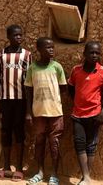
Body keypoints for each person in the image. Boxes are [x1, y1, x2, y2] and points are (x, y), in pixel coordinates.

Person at [68, 41, 103, 185]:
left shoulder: (102, 72)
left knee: (91, 145)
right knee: (79, 143)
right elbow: (71, 87)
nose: (94, 55)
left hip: (95, 114)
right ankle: (86, 176)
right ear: (84, 54)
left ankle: (86, 178)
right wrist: (77, 100)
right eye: (91, 52)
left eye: (97, 53)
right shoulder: (76, 70)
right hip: (78, 115)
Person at [0, 24, 31, 181]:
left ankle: (19, 168)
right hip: (5, 100)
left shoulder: (27, 55)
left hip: (21, 101)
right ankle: (6, 167)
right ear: (8, 37)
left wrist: (28, 107)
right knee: (5, 132)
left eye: (21, 35)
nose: (19, 38)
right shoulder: (1, 55)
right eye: (15, 35)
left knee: (19, 132)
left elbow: (29, 81)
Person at [25, 37, 67, 185]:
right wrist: (29, 112)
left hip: (55, 112)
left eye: (52, 47)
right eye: (48, 48)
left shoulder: (57, 67)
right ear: (39, 50)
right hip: (38, 113)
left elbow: (63, 88)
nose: (51, 50)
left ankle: (54, 174)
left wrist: (52, 101)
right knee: (39, 142)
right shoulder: (32, 68)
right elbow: (28, 91)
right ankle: (40, 172)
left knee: (54, 143)